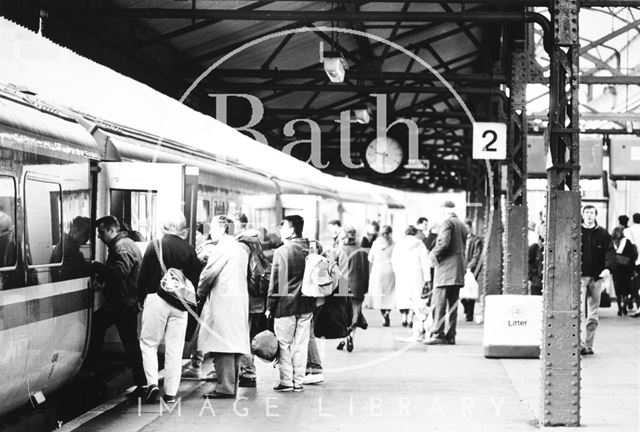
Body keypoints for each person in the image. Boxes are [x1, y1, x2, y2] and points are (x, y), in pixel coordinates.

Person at [138, 211, 201, 404]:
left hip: (156, 298)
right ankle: (171, 393)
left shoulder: (155, 245)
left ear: (163, 226)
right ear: (181, 227)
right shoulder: (189, 249)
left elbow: (143, 275)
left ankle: (152, 384)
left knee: (149, 343)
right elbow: (195, 280)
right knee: (175, 348)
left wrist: (140, 299)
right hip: (180, 303)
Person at [84, 216, 146, 395]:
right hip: (124, 302)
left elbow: (120, 272)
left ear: (112, 230)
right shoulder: (124, 244)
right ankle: (140, 382)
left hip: (122, 303)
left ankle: (94, 367)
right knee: (129, 342)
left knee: (99, 326)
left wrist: (97, 267)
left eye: (101, 232)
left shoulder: (122, 247)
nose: (99, 236)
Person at [197, 216, 251, 398]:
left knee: (222, 344)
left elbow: (208, 274)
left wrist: (198, 293)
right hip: (238, 301)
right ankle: (230, 386)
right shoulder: (239, 248)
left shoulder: (223, 248)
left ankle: (225, 388)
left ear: (222, 229)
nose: (209, 232)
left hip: (224, 302)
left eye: (211, 227)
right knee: (233, 345)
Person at [266, 215, 315, 392]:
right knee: (301, 344)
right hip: (307, 303)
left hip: (285, 305)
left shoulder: (283, 251)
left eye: (283, 226)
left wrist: (270, 306)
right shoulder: (312, 249)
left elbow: (276, 282)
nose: (280, 229)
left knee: (284, 344)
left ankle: (286, 381)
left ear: (292, 230)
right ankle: (299, 381)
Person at [234, 212, 269, 388]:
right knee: (250, 335)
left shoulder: (242, 245)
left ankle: (247, 373)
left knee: (244, 335)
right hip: (257, 299)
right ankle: (248, 371)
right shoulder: (255, 242)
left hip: (246, 299)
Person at [426, 201, 468, 346]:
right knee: (453, 305)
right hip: (457, 270)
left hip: (445, 270)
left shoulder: (447, 223)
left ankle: (438, 334)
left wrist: (432, 255)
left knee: (439, 303)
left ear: (444, 211)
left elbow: (443, 243)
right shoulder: (461, 224)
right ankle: (451, 335)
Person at [580, 205, 616, 355]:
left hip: (596, 278)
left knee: (593, 313)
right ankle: (578, 343)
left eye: (591, 213)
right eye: (586, 212)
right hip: (580, 278)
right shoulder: (577, 231)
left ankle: (588, 345)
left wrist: (608, 268)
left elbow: (610, 251)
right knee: (578, 312)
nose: (589, 215)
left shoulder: (603, 233)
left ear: (595, 215)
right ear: (582, 214)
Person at [330, 227, 369, 352]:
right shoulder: (362, 250)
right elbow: (366, 270)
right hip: (358, 284)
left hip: (343, 284)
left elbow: (332, 269)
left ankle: (343, 338)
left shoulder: (338, 251)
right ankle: (350, 336)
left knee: (344, 313)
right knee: (356, 312)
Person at [391, 226, 430, 331]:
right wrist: (427, 278)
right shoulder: (420, 244)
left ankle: (403, 316)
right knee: (415, 296)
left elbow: (394, 259)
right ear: (415, 233)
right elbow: (425, 262)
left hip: (402, 273)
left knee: (403, 295)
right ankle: (410, 318)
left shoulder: (399, 244)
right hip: (416, 274)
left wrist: (396, 271)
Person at [368, 225, 396, 326]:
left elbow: (370, 258)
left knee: (380, 294)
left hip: (378, 271)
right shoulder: (393, 244)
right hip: (390, 270)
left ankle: (383, 315)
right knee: (389, 294)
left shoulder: (375, 244)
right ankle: (388, 311)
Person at [50, 216, 91, 280]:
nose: (88, 237)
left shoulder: (64, 245)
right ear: (76, 231)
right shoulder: (70, 250)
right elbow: (76, 273)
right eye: (86, 232)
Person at [611, 226, 638, 316]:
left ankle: (619, 308)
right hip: (626, 269)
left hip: (616, 269)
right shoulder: (627, 241)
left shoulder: (611, 242)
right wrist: (632, 269)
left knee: (618, 289)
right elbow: (632, 256)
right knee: (626, 289)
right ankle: (624, 307)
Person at [461, 219, 482, 322]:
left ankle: (469, 314)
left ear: (470, 228)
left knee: (470, 291)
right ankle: (466, 310)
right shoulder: (460, 239)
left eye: (467, 227)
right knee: (461, 292)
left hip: (471, 270)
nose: (466, 230)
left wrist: (469, 267)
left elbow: (476, 256)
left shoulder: (476, 240)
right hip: (461, 269)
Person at [624, 213, 640, 315]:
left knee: (635, 284)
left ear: (633, 220)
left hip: (634, 261)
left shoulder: (627, 231)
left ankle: (636, 304)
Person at [528, 224, 545, 296]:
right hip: (536, 283)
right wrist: (534, 273)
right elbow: (528, 263)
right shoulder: (534, 248)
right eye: (542, 240)